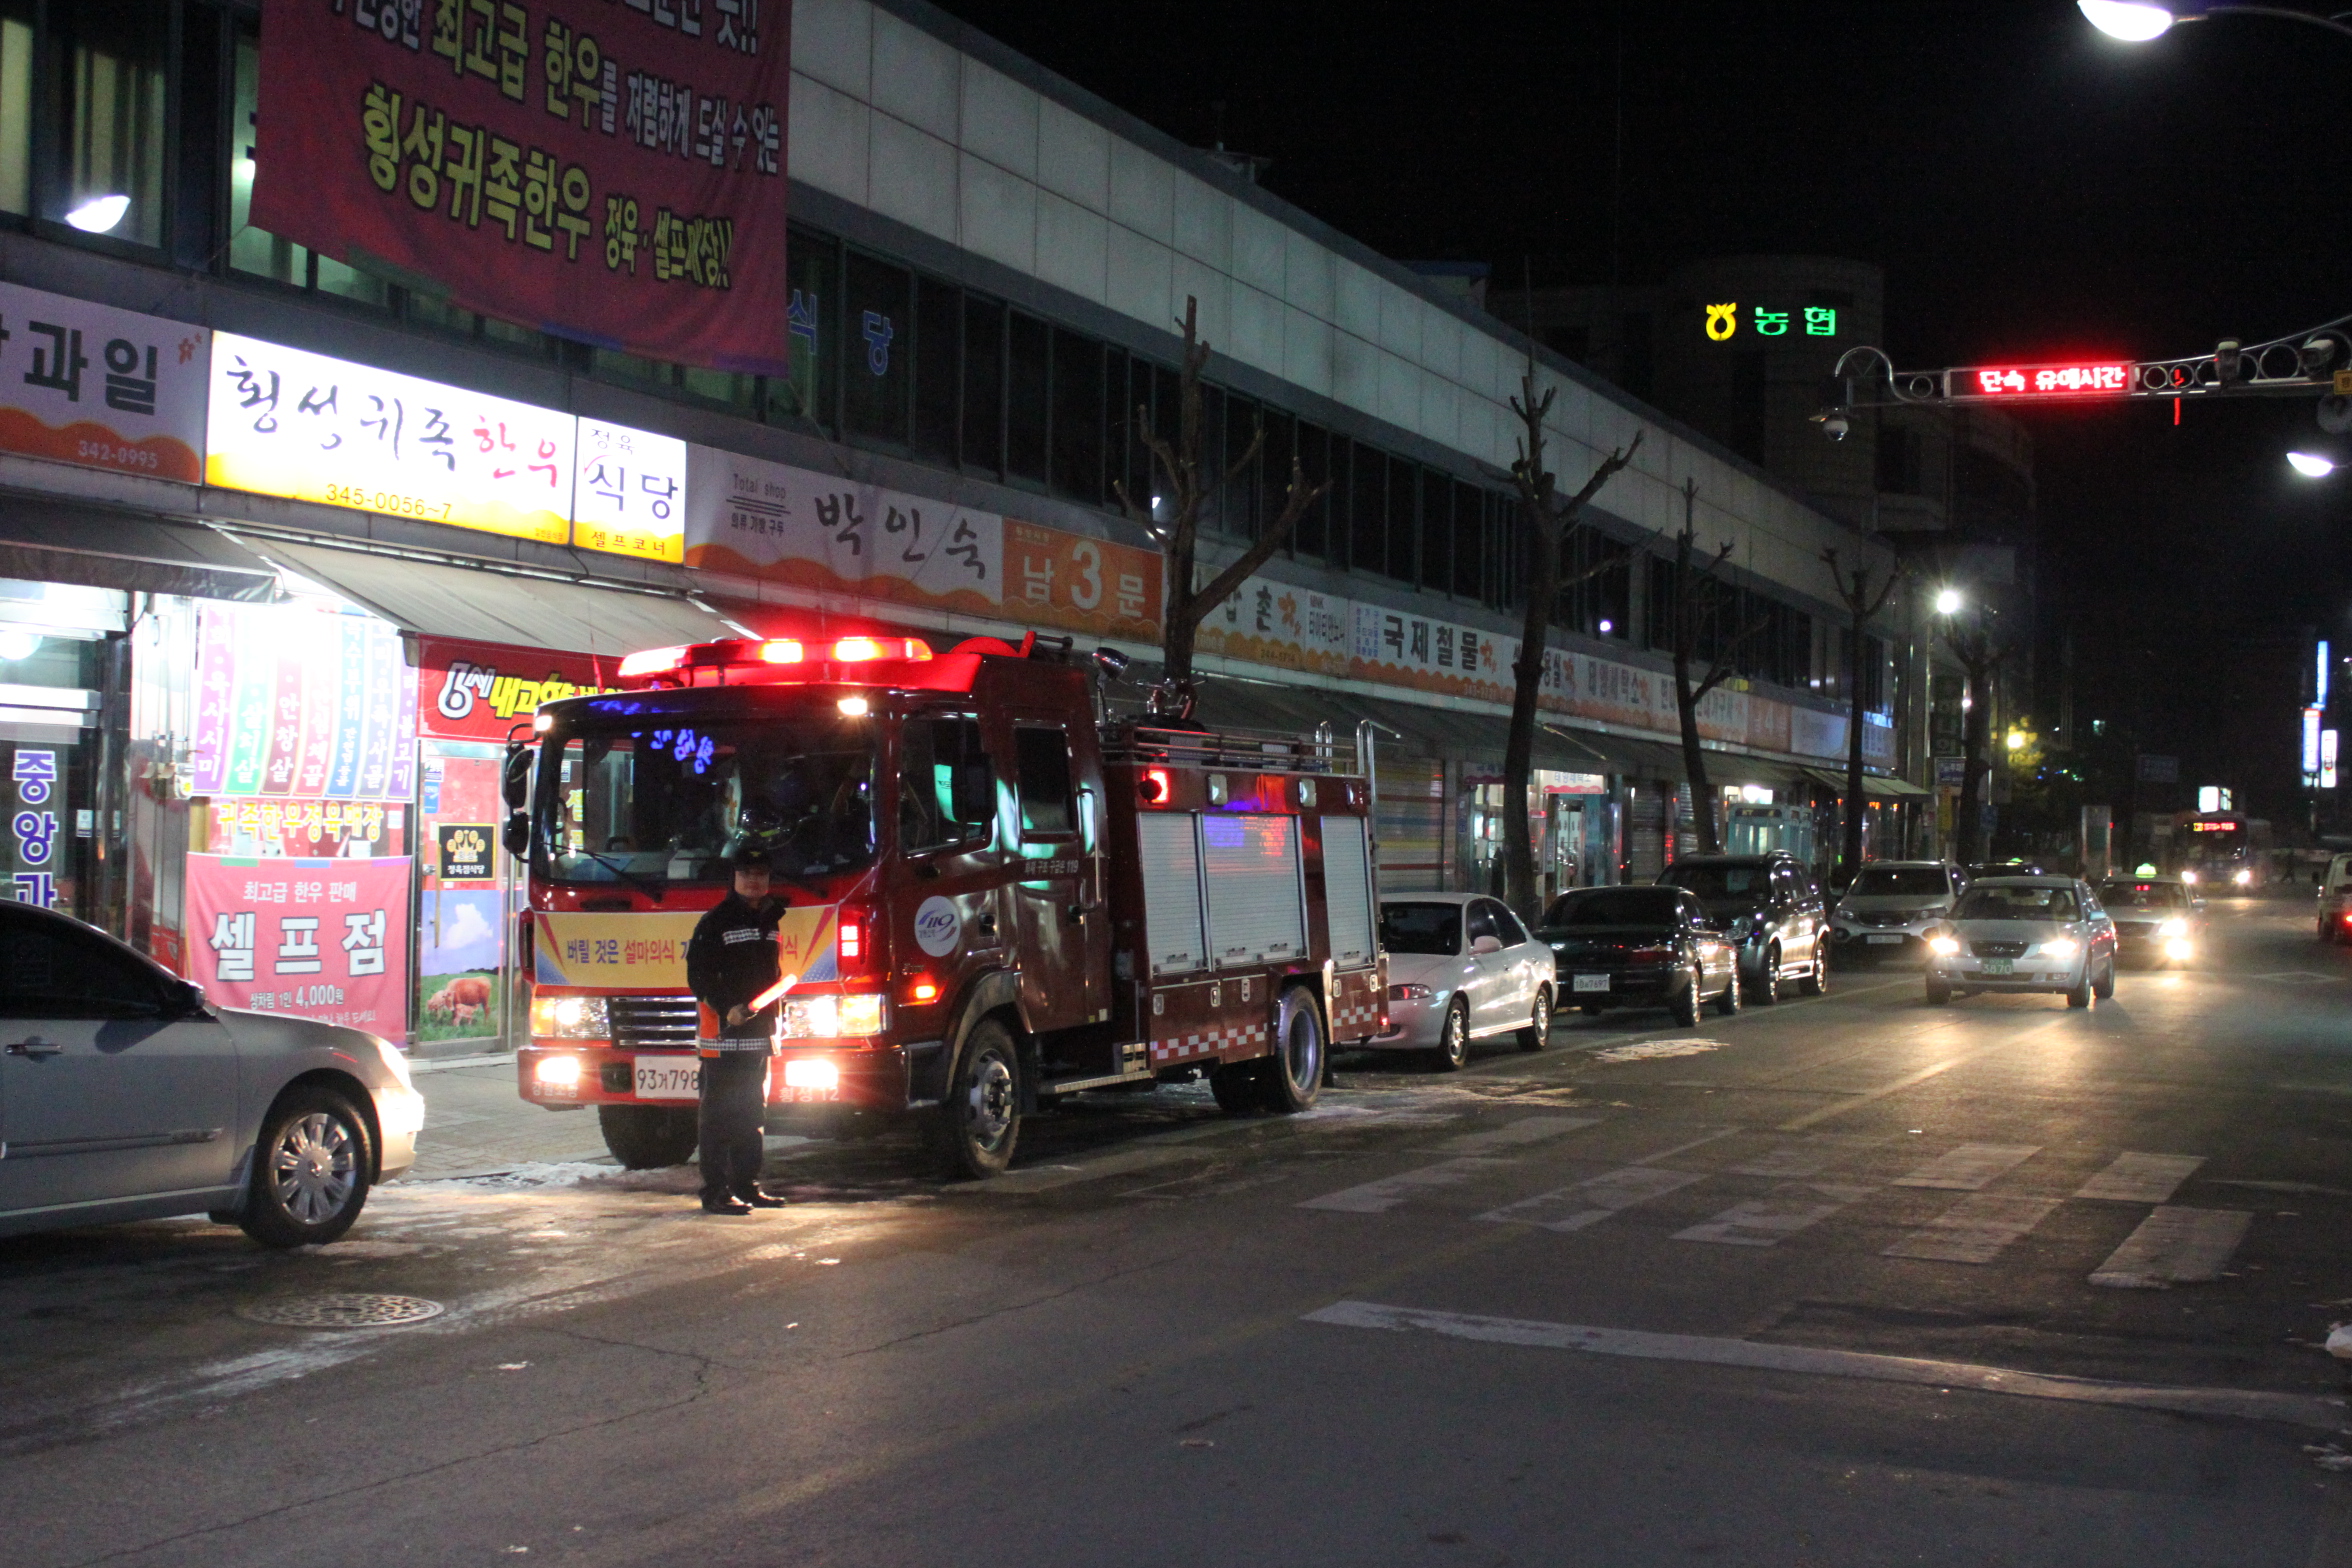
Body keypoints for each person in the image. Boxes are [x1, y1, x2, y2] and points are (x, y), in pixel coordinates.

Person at [684, 844, 789, 1214]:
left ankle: (747, 1186)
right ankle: (715, 1192)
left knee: (752, 1113)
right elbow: (698, 976)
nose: (753, 880)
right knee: (719, 1116)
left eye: (760, 874)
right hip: (723, 1036)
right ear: (734, 878)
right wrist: (726, 1006)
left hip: (758, 1035)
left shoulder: (770, 919)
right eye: (746, 874)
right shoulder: (715, 921)